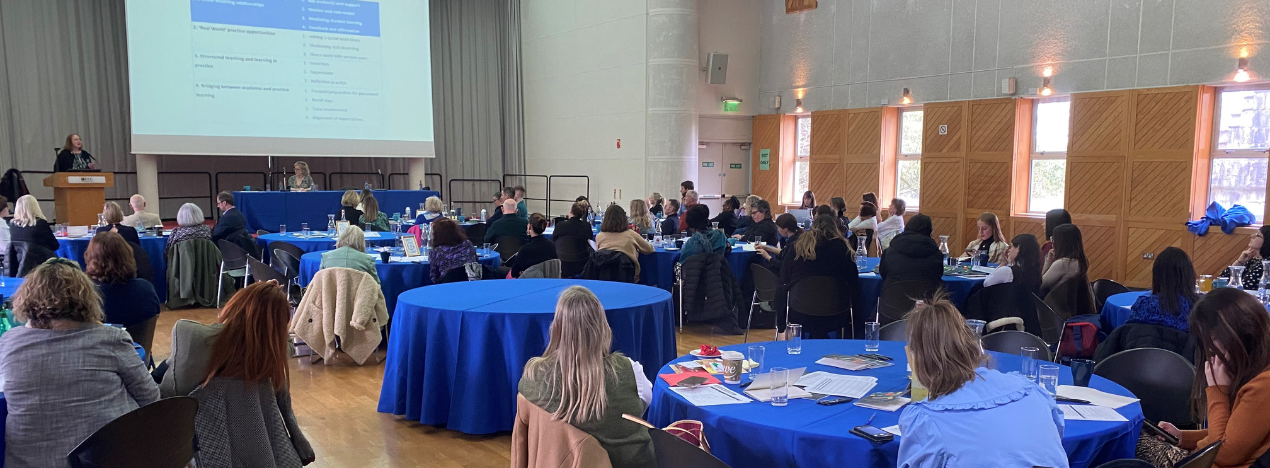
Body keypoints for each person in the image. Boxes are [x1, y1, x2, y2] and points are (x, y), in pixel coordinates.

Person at [0, 259, 160, 467]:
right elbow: (151, 398)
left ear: (27, 299)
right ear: (85, 296)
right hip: (104, 459)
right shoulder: (111, 339)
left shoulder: (9, 341)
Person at [898, 298, 1068, 468]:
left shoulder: (926, 419)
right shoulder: (1031, 390)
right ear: (974, 346)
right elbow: (1056, 435)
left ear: (919, 360)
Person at [157, 282, 314, 464]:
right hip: (255, 447)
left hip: (192, 445)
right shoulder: (272, 356)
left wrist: (256, 294)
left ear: (236, 304)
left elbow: (168, 397)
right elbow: (285, 343)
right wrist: (273, 304)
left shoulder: (191, 336)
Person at [519, 286, 654, 468]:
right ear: (602, 326)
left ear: (557, 327)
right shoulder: (630, 369)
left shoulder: (533, 377)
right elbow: (645, 403)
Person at [1149, 288, 1270, 468]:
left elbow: (1222, 453)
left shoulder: (1263, 385)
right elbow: (1236, 433)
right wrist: (1183, 437)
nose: (1210, 350)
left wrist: (1218, 390)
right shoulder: (1256, 371)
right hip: (1205, 458)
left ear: (1240, 333)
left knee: (1133, 446)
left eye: (1213, 339)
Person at [777, 214, 862, 339]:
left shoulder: (798, 246)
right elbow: (853, 281)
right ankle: (857, 334)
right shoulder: (843, 248)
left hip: (800, 310)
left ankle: (781, 329)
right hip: (836, 312)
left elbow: (784, 277)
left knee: (781, 288)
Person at [86, 232, 160, 328]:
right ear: (128, 254)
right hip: (136, 342)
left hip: (100, 342)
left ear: (93, 260)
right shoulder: (146, 289)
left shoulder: (87, 295)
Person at [1127, 247, 1198, 333]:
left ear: (1157, 276)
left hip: (1144, 345)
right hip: (1181, 346)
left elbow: (1128, 333)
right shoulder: (1196, 309)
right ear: (1188, 275)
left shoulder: (1142, 305)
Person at [878, 214, 943, 286]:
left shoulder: (889, 252)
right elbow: (938, 276)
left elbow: (883, 275)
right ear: (929, 232)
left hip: (893, 295)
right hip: (928, 296)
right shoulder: (937, 255)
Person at [595, 205, 654, 277]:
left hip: (603, 276)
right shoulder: (631, 235)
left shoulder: (599, 237)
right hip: (628, 275)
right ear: (624, 218)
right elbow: (649, 249)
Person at [1042, 223, 1092, 296]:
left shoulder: (1063, 263)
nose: (1052, 241)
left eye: (1053, 238)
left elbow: (1041, 284)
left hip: (1057, 304)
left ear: (1061, 242)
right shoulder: (1080, 260)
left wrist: (1048, 260)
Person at [1220, 225, 1270, 290]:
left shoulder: (1266, 264)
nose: (1252, 236)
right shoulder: (1253, 260)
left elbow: (1244, 287)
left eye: (1257, 235)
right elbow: (1222, 280)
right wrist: (1239, 262)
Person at [429, 218, 478, 283]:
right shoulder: (468, 244)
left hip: (447, 285)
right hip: (470, 282)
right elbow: (475, 261)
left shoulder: (436, 252)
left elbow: (434, 277)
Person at [509, 214, 558, 278]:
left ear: (529, 226)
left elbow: (514, 273)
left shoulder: (525, 250)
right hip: (548, 282)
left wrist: (525, 272)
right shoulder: (551, 246)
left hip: (529, 284)